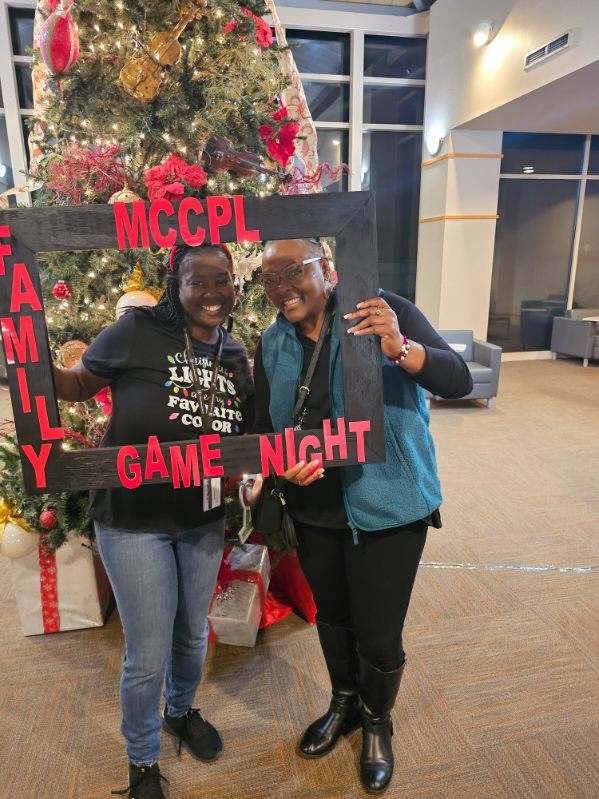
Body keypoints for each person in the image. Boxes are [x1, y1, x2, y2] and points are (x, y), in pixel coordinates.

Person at [252, 238, 472, 794]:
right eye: (269, 280)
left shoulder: (379, 309)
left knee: (378, 632)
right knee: (333, 615)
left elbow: (458, 379)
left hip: (390, 503)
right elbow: (262, 429)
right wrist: (281, 469)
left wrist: (400, 347)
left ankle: (377, 722)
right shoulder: (273, 341)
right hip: (314, 507)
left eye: (291, 274)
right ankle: (344, 703)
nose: (281, 291)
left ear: (327, 268)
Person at [52, 243, 254, 799]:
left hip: (203, 517)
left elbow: (243, 439)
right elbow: (76, 385)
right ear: (177, 283)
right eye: (198, 281)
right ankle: (142, 759)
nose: (212, 293)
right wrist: (29, 367)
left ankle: (181, 710)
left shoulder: (234, 353)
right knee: (146, 653)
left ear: (236, 284)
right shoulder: (136, 331)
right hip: (134, 519)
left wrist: (249, 473)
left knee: (191, 633)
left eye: (223, 280)